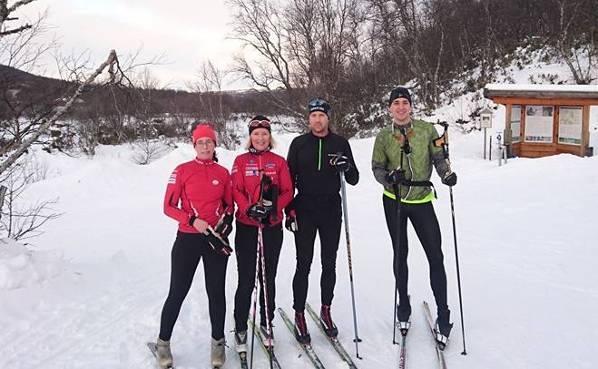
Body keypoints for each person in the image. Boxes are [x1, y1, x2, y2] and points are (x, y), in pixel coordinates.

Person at [371, 86, 458, 347]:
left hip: (421, 200)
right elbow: (376, 167)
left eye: (404, 102)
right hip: (394, 200)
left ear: (410, 106)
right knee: (401, 254)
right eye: (396, 103)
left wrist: (446, 175)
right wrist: (388, 178)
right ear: (389, 108)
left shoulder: (426, 130)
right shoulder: (384, 136)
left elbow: (438, 157)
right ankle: (404, 305)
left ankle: (443, 313)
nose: (400, 107)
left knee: (435, 254)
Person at [155, 123, 234, 369]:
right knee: (178, 292)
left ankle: (218, 345)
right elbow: (168, 207)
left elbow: (230, 206)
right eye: (200, 142)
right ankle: (163, 343)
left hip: (214, 239)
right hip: (187, 239)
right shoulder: (182, 170)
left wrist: (225, 224)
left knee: (216, 293)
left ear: (214, 144)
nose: (205, 145)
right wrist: (191, 220)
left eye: (209, 141)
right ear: (194, 145)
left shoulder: (223, 173)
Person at [285, 98, 359, 344]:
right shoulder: (299, 144)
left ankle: (326, 309)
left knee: (329, 262)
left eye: (322, 115)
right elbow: (287, 181)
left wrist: (346, 166)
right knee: (303, 262)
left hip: (330, 209)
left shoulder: (340, 143)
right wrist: (289, 210)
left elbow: (354, 178)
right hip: (304, 208)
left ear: (328, 118)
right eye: (313, 115)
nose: (318, 120)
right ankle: (299, 312)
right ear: (309, 119)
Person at [230, 115, 293, 352]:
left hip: (271, 227)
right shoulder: (240, 160)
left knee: (267, 277)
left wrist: (273, 208)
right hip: (247, 226)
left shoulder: (278, 162)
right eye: (256, 134)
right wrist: (248, 207)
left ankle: (267, 322)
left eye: (264, 134)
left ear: (270, 136)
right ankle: (240, 326)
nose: (260, 138)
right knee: (246, 278)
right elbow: (234, 188)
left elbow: (288, 190)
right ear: (250, 137)